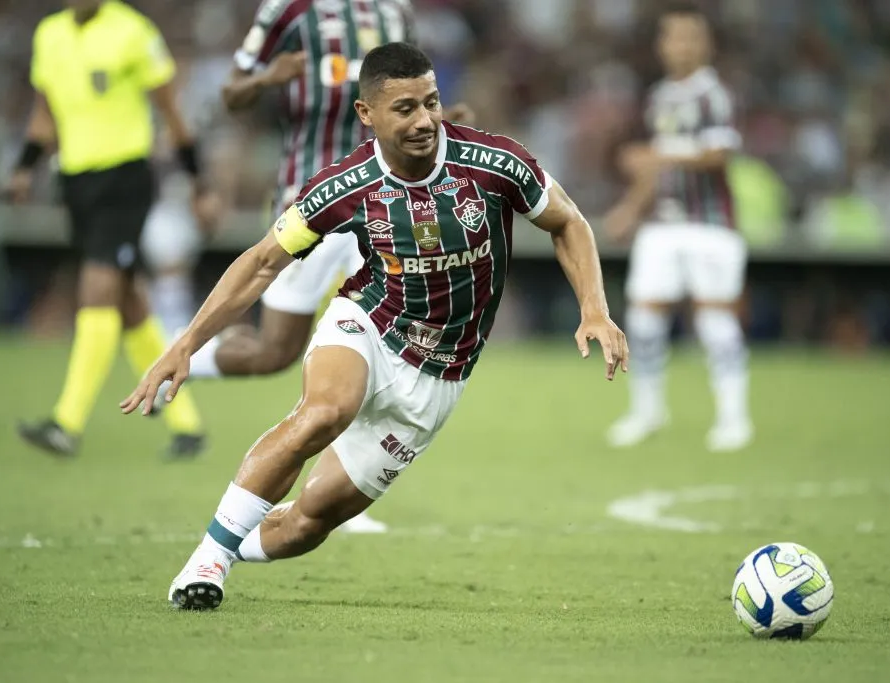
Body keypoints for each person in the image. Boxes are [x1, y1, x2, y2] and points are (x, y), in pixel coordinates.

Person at [121, 42, 628, 610]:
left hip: (438, 377)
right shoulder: (344, 186)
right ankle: (207, 561)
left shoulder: (495, 163)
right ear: (367, 114)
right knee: (324, 412)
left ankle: (229, 545)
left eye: (431, 102)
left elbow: (569, 222)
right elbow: (263, 261)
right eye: (404, 108)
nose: (424, 120)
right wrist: (186, 344)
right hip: (369, 324)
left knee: (309, 522)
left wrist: (594, 308)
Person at [186, 0, 470, 532]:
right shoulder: (288, 11)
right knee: (275, 352)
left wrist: (438, 120)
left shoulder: (395, 12)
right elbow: (231, 94)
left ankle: (334, 489)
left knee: (379, 340)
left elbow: (407, 92)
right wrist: (270, 77)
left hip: (388, 202)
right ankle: (188, 357)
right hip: (312, 201)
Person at [11, 0, 216, 458]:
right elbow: (45, 113)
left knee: (97, 287)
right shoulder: (49, 34)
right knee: (128, 301)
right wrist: (25, 166)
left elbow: (171, 111)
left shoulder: (133, 32)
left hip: (125, 177)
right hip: (75, 181)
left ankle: (66, 423)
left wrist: (198, 181)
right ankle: (187, 425)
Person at [604, 1, 752, 453]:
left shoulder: (714, 94)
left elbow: (719, 154)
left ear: (706, 45)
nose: (681, 46)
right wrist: (630, 209)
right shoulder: (660, 96)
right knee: (644, 319)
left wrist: (659, 154)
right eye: (674, 37)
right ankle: (647, 411)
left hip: (709, 224)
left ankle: (733, 418)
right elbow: (657, 170)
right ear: (662, 44)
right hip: (662, 225)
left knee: (715, 321)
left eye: (691, 37)